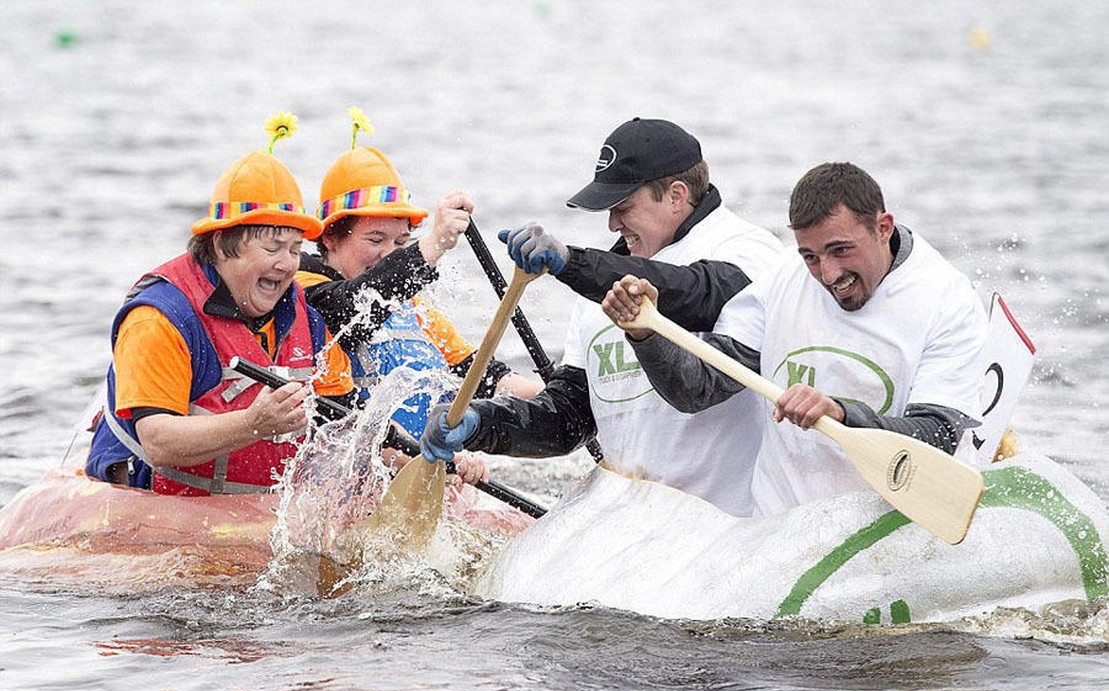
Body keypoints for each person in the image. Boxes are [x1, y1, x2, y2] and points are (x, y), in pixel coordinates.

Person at [421, 117, 784, 516]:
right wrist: (481, 423)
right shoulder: (599, 288)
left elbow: (692, 290)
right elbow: (568, 419)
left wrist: (572, 265)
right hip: (634, 527)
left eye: (623, 207)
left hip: (731, 525)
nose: (612, 223)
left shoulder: (750, 252)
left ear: (677, 196)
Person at [602, 161, 989, 515]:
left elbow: (938, 436)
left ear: (883, 227)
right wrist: (646, 334)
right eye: (811, 256)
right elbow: (697, 390)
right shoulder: (783, 276)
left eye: (841, 250)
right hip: (779, 530)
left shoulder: (947, 300)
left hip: (883, 529)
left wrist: (841, 412)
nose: (829, 274)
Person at [85, 114, 355, 495]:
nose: (286, 263)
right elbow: (158, 441)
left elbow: (349, 425)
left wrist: (436, 456)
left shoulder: (303, 318)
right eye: (272, 247)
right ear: (220, 246)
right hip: (148, 507)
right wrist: (253, 423)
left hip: (245, 513)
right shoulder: (158, 318)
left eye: (295, 249)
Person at [294, 111, 541, 483]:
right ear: (329, 238)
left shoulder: (413, 309)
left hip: (424, 472)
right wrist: (435, 244)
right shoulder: (304, 292)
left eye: (401, 242)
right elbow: (351, 311)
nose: (389, 254)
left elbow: (480, 377)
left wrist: (559, 398)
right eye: (375, 239)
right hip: (355, 481)